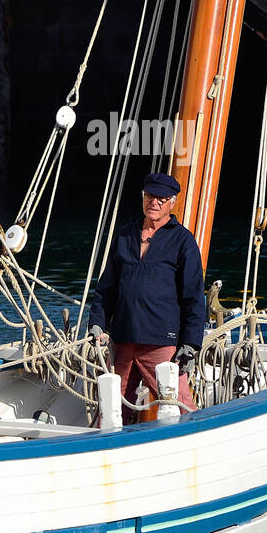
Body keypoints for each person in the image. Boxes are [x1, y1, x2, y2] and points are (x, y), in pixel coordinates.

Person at [88, 171, 205, 419]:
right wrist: (97, 323)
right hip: (124, 339)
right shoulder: (125, 235)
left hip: (161, 342)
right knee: (110, 411)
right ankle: (109, 449)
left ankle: (193, 448)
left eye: (162, 198)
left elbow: (194, 297)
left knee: (180, 408)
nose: (155, 202)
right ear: (143, 197)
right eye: (151, 196)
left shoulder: (183, 240)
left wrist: (191, 343)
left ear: (172, 202)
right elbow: (106, 287)